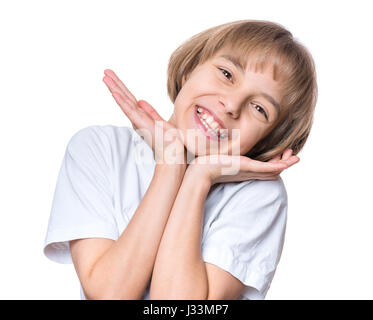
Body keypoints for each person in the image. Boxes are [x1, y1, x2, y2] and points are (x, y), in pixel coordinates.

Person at [43, 19, 317, 300]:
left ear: (268, 140)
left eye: (259, 108)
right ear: (189, 70)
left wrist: (198, 177)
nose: (232, 105)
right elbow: (109, 295)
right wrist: (171, 165)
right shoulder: (100, 148)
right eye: (226, 74)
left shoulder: (260, 195)